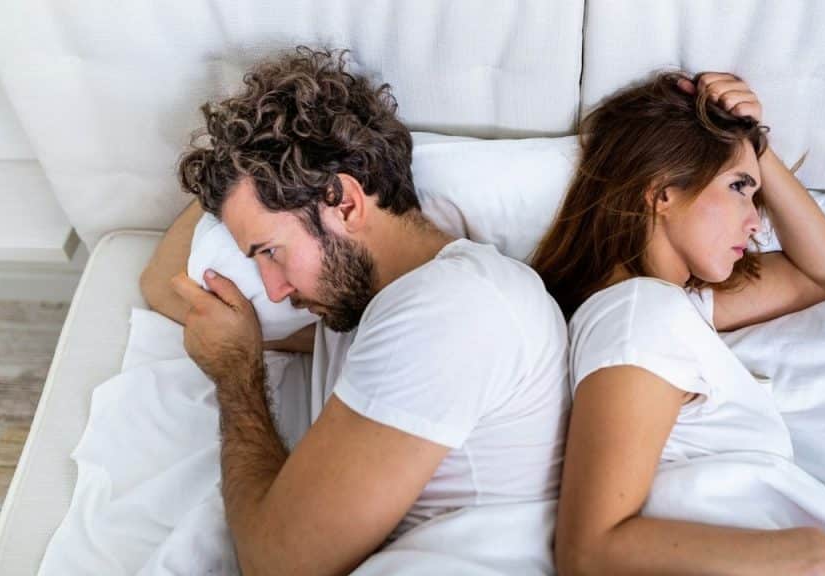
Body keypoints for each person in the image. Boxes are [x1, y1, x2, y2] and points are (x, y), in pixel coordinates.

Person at [142, 47, 570, 575]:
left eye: (271, 252)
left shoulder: (454, 306)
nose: (273, 291)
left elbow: (278, 567)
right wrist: (234, 162)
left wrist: (237, 377)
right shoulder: (355, 311)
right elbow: (164, 285)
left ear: (344, 203)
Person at [531, 72, 825, 575]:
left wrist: (755, 147)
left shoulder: (669, 308)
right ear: (663, 192)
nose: (756, 222)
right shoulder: (639, 314)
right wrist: (813, 553)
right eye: (738, 188)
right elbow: (590, 551)